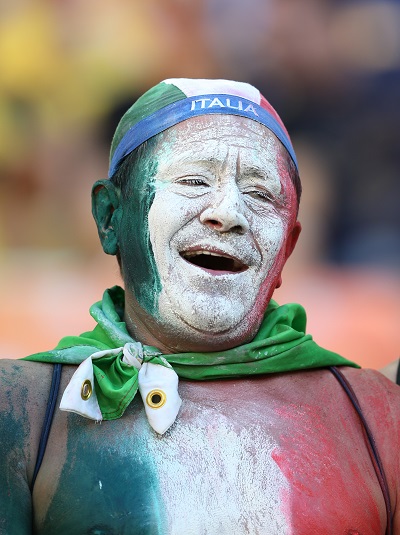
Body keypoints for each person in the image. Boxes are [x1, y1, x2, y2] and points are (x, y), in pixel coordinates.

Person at [0, 78, 399, 534]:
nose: (227, 212)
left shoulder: (379, 417)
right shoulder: (19, 410)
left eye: (259, 193)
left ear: (287, 247)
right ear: (110, 216)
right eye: (193, 180)